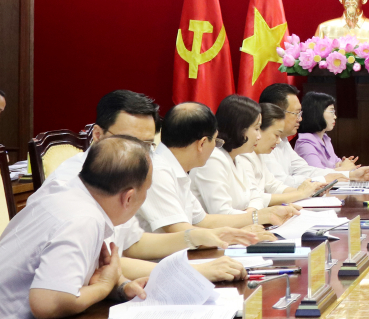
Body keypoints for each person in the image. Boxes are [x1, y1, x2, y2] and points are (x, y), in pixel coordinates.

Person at [42, 90, 249, 281]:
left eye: (147, 145)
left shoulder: (124, 174)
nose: (139, 153)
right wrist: (196, 271)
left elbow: (133, 243)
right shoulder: (74, 181)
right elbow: (101, 264)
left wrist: (194, 236)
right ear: (97, 135)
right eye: (128, 141)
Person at [0, 137, 151, 319]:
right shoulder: (83, 219)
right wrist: (103, 287)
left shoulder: (69, 194)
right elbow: (47, 302)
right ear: (129, 197)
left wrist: (120, 286)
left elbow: (74, 276)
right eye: (146, 191)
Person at [140, 102, 300, 237]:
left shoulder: (175, 168)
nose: (216, 148)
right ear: (202, 143)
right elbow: (180, 232)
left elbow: (204, 220)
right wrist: (233, 235)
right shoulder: (158, 171)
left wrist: (264, 215)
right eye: (215, 142)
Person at [191, 95, 299, 216]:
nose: (259, 136)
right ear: (240, 128)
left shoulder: (237, 156)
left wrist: (251, 214)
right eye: (256, 128)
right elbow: (222, 213)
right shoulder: (213, 159)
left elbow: (256, 198)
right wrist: (255, 217)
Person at [259, 83, 369, 184]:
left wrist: (351, 175)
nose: (300, 119)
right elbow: (282, 182)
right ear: (276, 112)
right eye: (296, 113)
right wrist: (331, 177)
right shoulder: (263, 143)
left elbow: (305, 170)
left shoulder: (283, 140)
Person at [238, 104, 320, 207]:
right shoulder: (242, 155)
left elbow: (274, 185)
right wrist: (300, 194)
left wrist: (308, 191)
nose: (279, 141)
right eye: (276, 135)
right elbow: (255, 197)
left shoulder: (258, 154)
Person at [294, 92, 346, 169]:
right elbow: (318, 173)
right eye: (331, 112)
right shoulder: (305, 143)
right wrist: (343, 169)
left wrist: (344, 164)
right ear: (317, 113)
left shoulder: (325, 138)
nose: (335, 116)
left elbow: (337, 162)